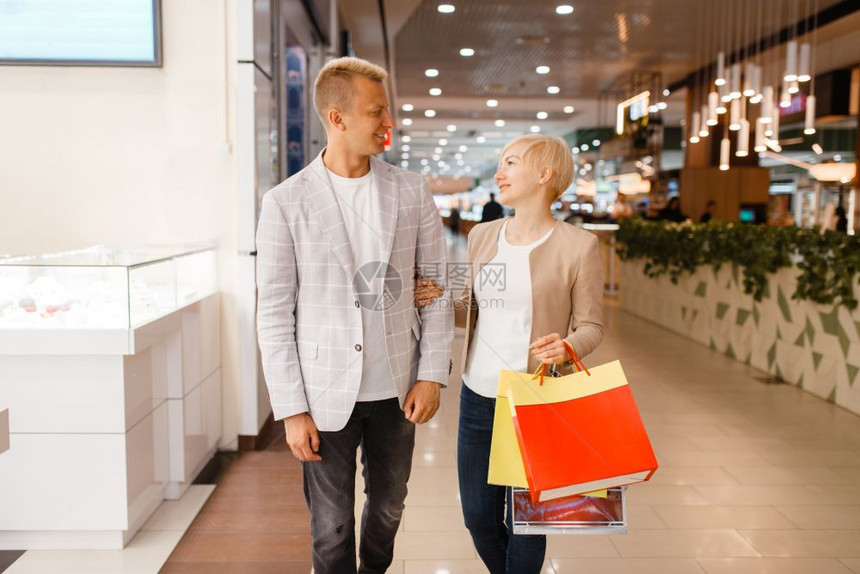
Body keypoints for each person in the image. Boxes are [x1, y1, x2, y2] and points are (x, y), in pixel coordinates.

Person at [255, 57, 454, 574]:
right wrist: (291, 409)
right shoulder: (285, 202)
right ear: (337, 118)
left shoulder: (411, 191)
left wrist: (432, 373)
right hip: (322, 395)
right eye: (376, 112)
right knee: (330, 525)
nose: (389, 123)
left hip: (398, 389)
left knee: (387, 509)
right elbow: (274, 313)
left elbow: (435, 289)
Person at [456, 135, 605, 573]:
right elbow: (472, 309)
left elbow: (593, 325)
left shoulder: (579, 246)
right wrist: (436, 298)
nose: (499, 173)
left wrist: (568, 346)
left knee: (525, 522)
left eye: (511, 163)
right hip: (476, 397)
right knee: (478, 518)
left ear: (544, 175)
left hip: (534, 399)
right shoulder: (483, 235)